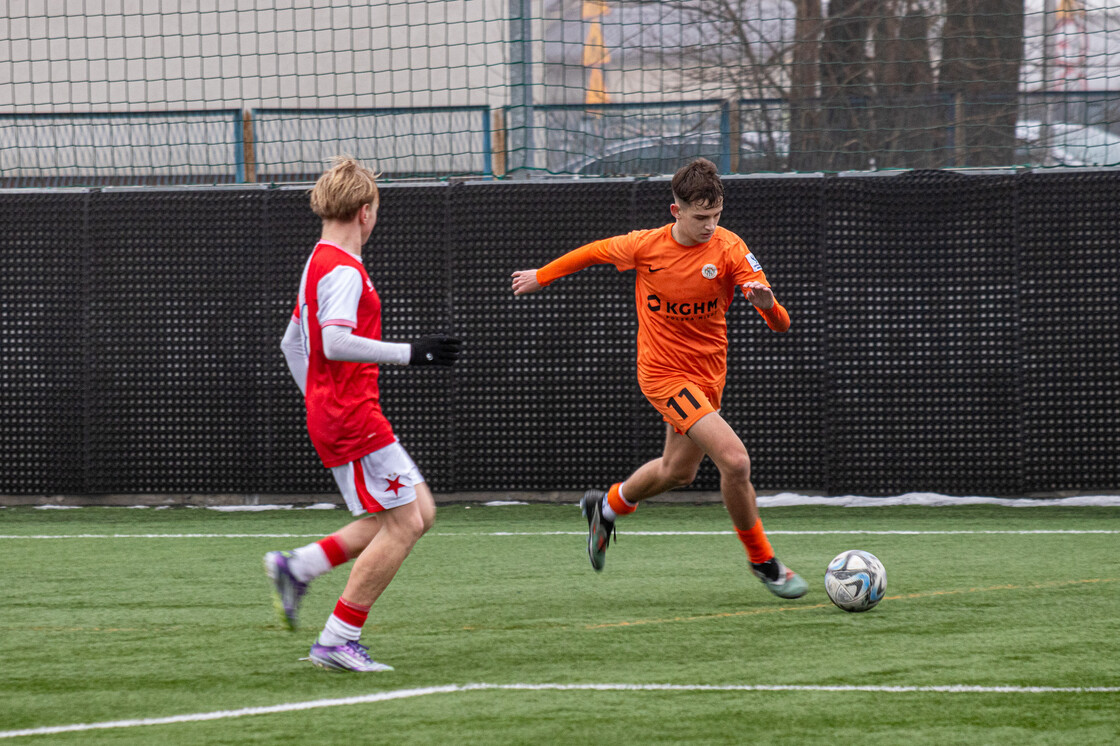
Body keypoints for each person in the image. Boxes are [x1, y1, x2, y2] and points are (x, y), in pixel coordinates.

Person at [510, 158, 807, 599]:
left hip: (708, 377)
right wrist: (542, 276)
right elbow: (592, 251)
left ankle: (605, 506)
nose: (709, 226)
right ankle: (764, 561)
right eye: (700, 217)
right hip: (664, 375)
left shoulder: (730, 249)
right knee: (736, 460)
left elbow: (781, 325)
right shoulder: (644, 246)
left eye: (716, 215)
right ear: (676, 211)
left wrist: (766, 303)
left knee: (677, 472)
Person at [265, 155, 462, 672]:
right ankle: (337, 639)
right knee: (402, 523)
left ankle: (300, 565)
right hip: (351, 416)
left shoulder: (318, 259)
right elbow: (331, 341)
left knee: (420, 512)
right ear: (366, 211)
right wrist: (413, 353)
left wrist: (316, 397)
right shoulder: (345, 271)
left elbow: (292, 343)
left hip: (343, 411)